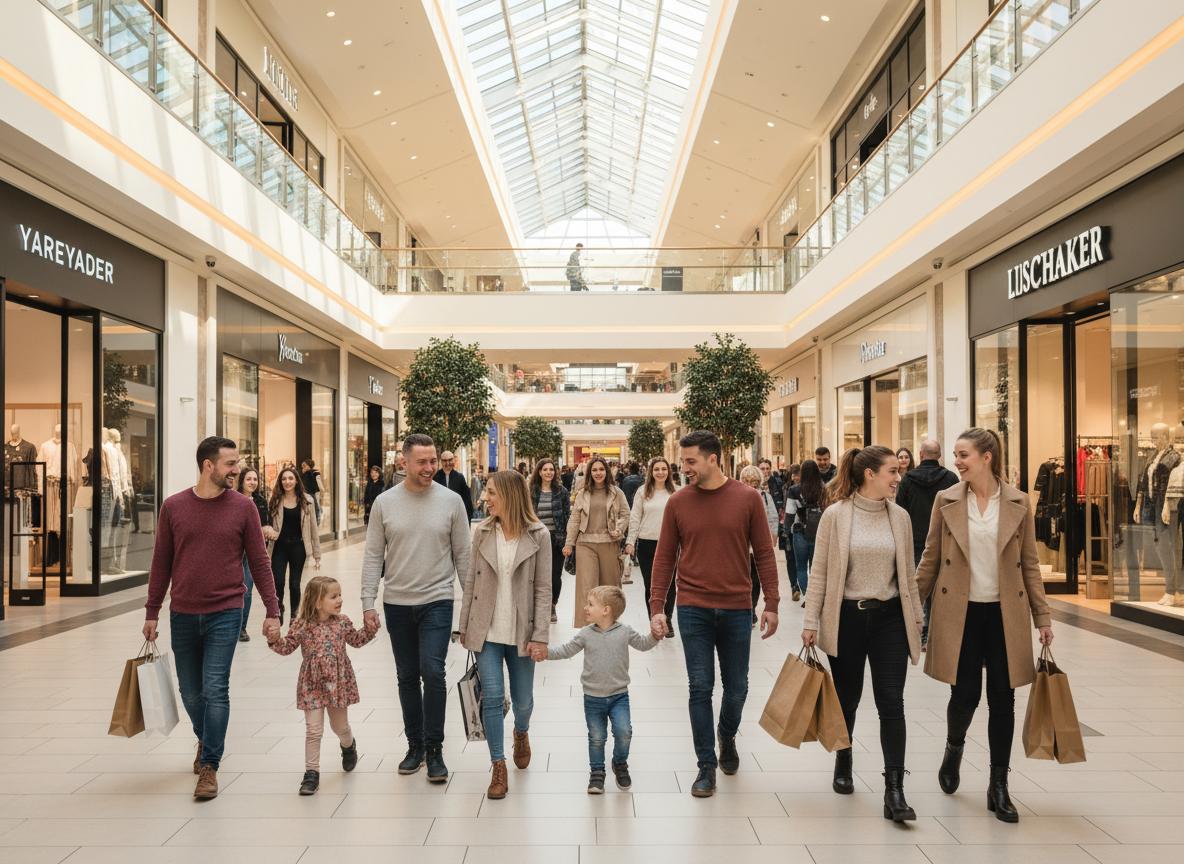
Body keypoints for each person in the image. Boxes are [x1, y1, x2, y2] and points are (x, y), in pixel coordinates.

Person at [915, 428, 1053, 824]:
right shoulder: (946, 500)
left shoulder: (1018, 502)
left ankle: (999, 784)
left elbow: (1030, 564)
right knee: (965, 696)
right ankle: (954, 747)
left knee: (1003, 700)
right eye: (955, 455)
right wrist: (911, 606)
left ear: (986, 457)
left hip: (1004, 614)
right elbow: (930, 558)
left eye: (963, 455)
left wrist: (1042, 617)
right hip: (961, 613)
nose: (956, 462)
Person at [142, 437, 281, 800]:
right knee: (190, 691)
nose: (237, 469)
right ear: (208, 465)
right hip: (184, 612)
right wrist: (152, 611)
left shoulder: (243, 508)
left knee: (215, 687)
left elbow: (260, 561)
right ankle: (206, 739)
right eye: (230, 464)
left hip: (226, 610)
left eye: (237, 463)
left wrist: (272, 610)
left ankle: (210, 765)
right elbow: (161, 562)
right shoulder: (174, 507)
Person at [649, 430, 779, 798]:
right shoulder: (678, 502)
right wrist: (657, 606)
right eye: (682, 461)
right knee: (700, 687)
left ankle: (726, 733)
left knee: (737, 688)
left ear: (713, 459)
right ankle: (705, 765)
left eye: (690, 461)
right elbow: (664, 557)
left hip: (738, 606)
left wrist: (771, 602)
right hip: (693, 609)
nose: (683, 467)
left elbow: (765, 553)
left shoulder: (748, 498)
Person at [801, 445, 923, 822]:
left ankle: (894, 789)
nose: (897, 477)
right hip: (848, 619)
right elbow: (819, 571)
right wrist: (810, 621)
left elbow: (908, 573)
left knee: (892, 703)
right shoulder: (836, 516)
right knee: (848, 700)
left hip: (889, 621)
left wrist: (916, 617)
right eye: (891, 471)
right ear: (869, 473)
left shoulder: (899, 516)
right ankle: (844, 757)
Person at [362, 434, 471, 784]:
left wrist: (470, 606)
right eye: (422, 462)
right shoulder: (384, 503)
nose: (429, 468)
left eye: (433, 460)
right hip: (397, 603)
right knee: (407, 676)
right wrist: (367, 602)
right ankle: (415, 746)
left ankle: (435, 748)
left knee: (433, 671)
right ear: (404, 463)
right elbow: (373, 554)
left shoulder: (452, 502)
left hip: (437, 600)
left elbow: (464, 557)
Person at [458, 470, 552, 799]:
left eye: (492, 492)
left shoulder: (539, 535)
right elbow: (471, 581)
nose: (486, 498)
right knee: (493, 698)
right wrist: (465, 624)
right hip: (487, 630)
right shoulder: (482, 531)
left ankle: (521, 732)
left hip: (522, 632)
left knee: (523, 701)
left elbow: (543, 589)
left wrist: (540, 634)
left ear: (510, 496)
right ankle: (498, 765)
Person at [540, 586, 659, 793]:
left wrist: (655, 636)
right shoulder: (586, 634)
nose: (585, 608)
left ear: (606, 610)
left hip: (619, 695)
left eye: (590, 604)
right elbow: (565, 650)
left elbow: (642, 643)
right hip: (592, 697)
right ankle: (597, 773)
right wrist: (545, 653)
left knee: (624, 732)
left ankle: (620, 763)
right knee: (596, 737)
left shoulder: (624, 632)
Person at [268, 576, 378, 795]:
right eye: (333, 596)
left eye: (340, 595)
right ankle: (311, 772)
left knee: (340, 727)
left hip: (338, 682)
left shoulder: (343, 621)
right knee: (313, 730)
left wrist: (370, 630)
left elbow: (356, 640)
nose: (340, 600)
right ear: (317, 602)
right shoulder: (302, 624)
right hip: (312, 683)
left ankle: (348, 746)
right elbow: (287, 647)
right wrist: (273, 639)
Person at [896, 439, 959, 648]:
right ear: (939, 456)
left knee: (918, 586)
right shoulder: (950, 478)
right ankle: (932, 633)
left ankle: (918, 631)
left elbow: (900, 511)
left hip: (915, 540)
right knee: (940, 587)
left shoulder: (907, 480)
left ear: (921, 455)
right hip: (943, 540)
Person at [564, 456, 630, 627]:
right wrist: (569, 543)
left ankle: (610, 625)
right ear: (589, 473)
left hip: (609, 542)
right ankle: (588, 627)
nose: (598, 473)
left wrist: (619, 529)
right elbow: (574, 519)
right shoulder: (582, 494)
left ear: (606, 472)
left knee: (609, 588)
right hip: (585, 543)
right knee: (587, 588)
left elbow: (625, 514)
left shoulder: (617, 492)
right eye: (594, 470)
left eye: (601, 469)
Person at [626, 457, 677, 637]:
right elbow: (635, 517)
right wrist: (630, 541)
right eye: (657, 469)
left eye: (664, 469)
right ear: (651, 472)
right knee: (651, 585)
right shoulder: (643, 492)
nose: (660, 472)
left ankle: (668, 620)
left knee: (670, 584)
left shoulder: (676, 492)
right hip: (647, 543)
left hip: (671, 544)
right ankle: (655, 620)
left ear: (668, 472)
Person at [269, 466, 322, 623]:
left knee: (294, 583)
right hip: (279, 546)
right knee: (278, 581)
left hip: (298, 547)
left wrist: (317, 555)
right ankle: (279, 609)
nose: (287, 482)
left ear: (296, 481)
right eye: (284, 479)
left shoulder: (307, 501)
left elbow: (313, 528)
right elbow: (268, 523)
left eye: (290, 478)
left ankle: (294, 614)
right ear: (280, 482)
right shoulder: (275, 500)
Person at [237, 467, 277, 642]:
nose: (252, 482)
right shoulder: (234, 499)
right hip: (236, 552)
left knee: (247, 591)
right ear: (242, 481)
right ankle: (233, 626)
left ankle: (242, 628)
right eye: (248, 479)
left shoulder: (260, 501)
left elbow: (266, 523)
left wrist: (267, 530)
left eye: (255, 479)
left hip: (252, 553)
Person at [530, 458, 571, 623]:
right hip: (536, 539)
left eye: (551, 470)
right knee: (536, 575)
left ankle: (552, 606)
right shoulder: (532, 491)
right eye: (545, 469)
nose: (549, 472)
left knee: (555, 575)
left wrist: (569, 541)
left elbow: (568, 516)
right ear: (539, 472)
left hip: (557, 539)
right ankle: (538, 607)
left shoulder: (562, 492)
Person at [740, 465, 779, 625]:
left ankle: (751, 609)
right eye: (747, 481)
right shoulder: (737, 496)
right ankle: (745, 608)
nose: (751, 484)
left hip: (758, 545)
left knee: (755, 580)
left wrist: (773, 536)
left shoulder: (765, 496)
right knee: (744, 579)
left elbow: (773, 517)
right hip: (742, 545)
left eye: (754, 481)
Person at [784, 460, 825, 605]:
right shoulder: (824, 489)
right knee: (816, 567)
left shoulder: (794, 490)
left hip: (799, 531)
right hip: (820, 532)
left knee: (800, 566)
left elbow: (789, 514)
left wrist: (786, 532)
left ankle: (807, 595)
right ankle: (816, 596)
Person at [434, 450, 475, 521]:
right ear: (441, 461)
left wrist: (467, 519)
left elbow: (467, 500)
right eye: (445, 461)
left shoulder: (460, 477)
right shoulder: (435, 477)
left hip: (456, 517)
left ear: (454, 460)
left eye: (450, 460)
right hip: (440, 518)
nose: (448, 463)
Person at [300, 459, 324, 526]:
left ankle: (316, 523)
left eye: (304, 466)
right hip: (306, 494)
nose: (303, 468)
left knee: (316, 508)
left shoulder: (315, 472)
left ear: (309, 466)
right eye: (302, 466)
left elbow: (319, 483)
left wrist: (322, 491)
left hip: (313, 493)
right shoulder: (303, 474)